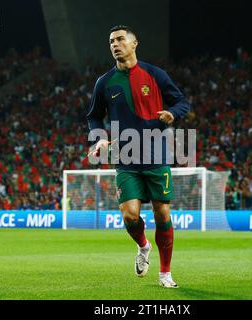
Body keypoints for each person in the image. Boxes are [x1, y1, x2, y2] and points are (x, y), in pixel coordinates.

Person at [86, 25, 189, 288]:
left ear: (134, 44)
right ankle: (143, 246)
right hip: (125, 156)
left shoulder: (155, 75)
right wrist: (99, 139)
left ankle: (165, 273)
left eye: (121, 39)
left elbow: (182, 103)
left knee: (162, 215)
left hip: (156, 154)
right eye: (111, 41)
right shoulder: (104, 83)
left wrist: (172, 114)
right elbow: (94, 116)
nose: (115, 44)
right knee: (130, 217)